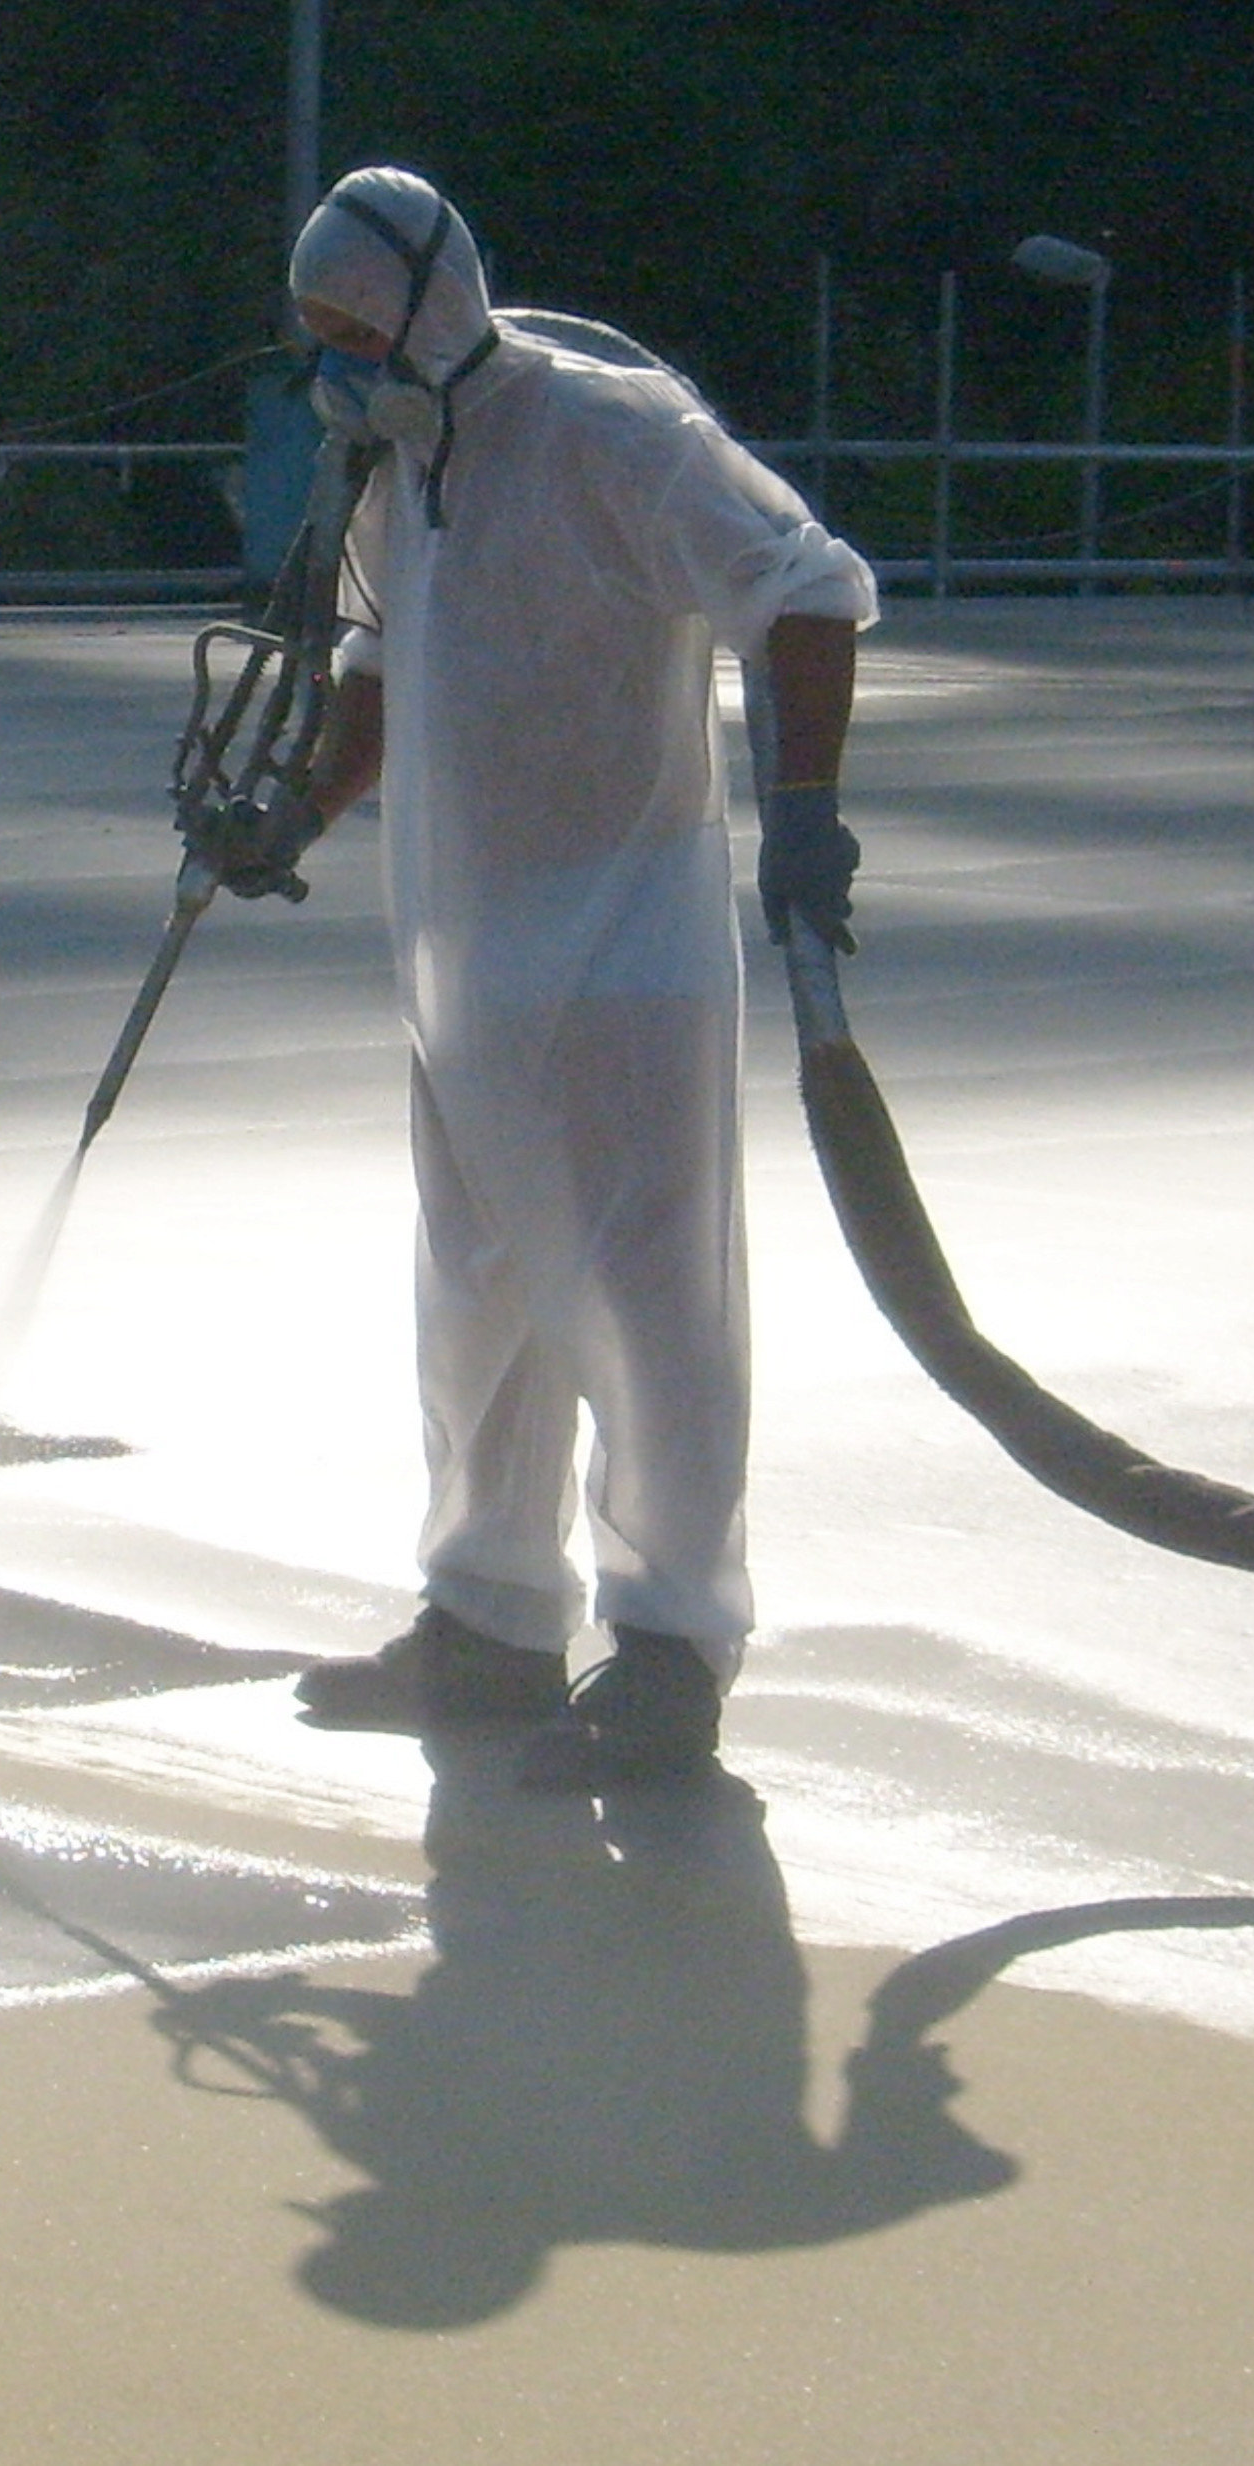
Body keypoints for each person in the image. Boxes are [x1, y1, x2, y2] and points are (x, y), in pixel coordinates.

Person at [273, 165, 875, 1787]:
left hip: (625, 957)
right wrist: (295, 807)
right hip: (461, 957)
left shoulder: (615, 436)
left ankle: (672, 1644)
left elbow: (807, 591)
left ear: (430, 305)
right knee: (477, 1302)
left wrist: (805, 818)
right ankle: (488, 1623)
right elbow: (378, 665)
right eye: (315, 335)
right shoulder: (406, 474)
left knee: (649, 1309)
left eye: (354, 329)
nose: (336, 363)